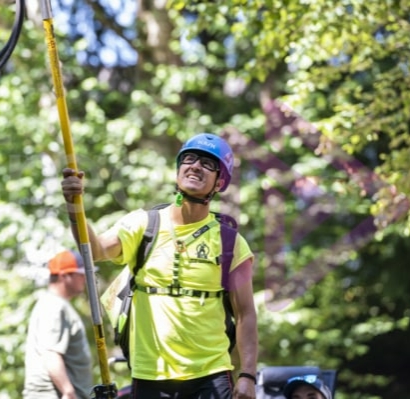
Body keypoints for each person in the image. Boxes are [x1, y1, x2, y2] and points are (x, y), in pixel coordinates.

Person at [61, 133, 258, 399]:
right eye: (189, 158)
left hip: (210, 374)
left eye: (208, 163)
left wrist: (247, 375)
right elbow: (95, 250)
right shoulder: (143, 224)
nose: (196, 165)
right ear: (178, 169)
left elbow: (246, 314)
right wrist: (76, 207)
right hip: (151, 374)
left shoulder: (231, 242)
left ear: (219, 182)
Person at [23, 249, 94, 399]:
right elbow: (50, 353)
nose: (85, 279)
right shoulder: (53, 306)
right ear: (64, 276)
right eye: (80, 274)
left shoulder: (56, 304)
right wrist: (68, 391)